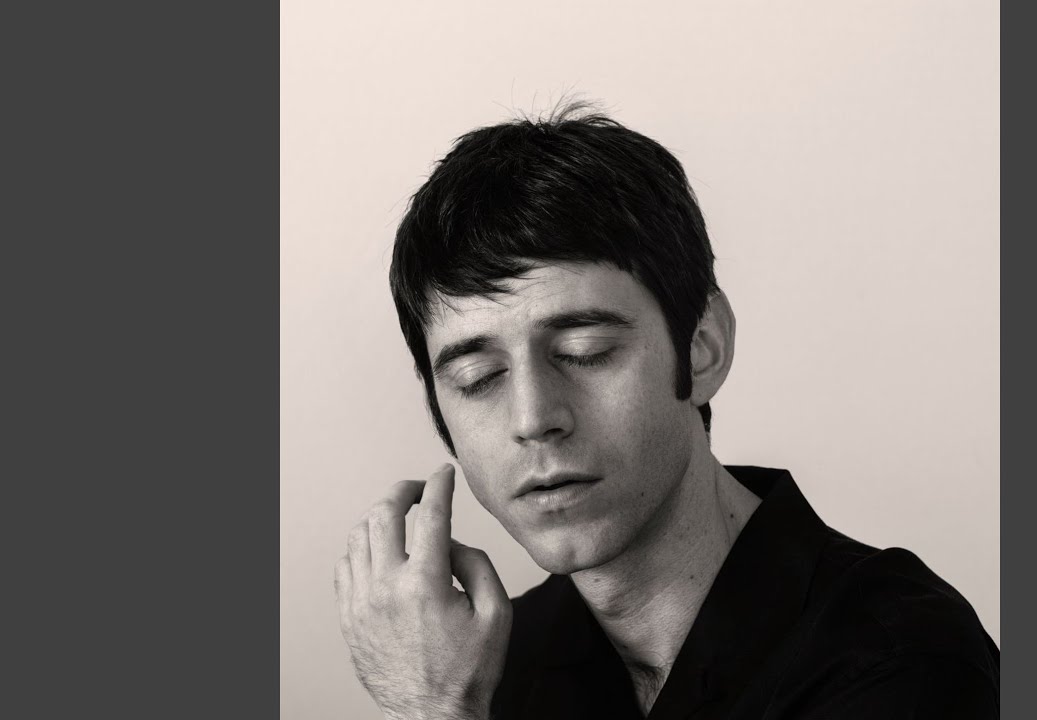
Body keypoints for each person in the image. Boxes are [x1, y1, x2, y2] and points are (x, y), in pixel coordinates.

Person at [334, 103, 999, 719]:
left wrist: (433, 709)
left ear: (702, 349)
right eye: (478, 379)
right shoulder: (489, 665)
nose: (533, 418)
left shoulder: (904, 658)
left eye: (585, 352)